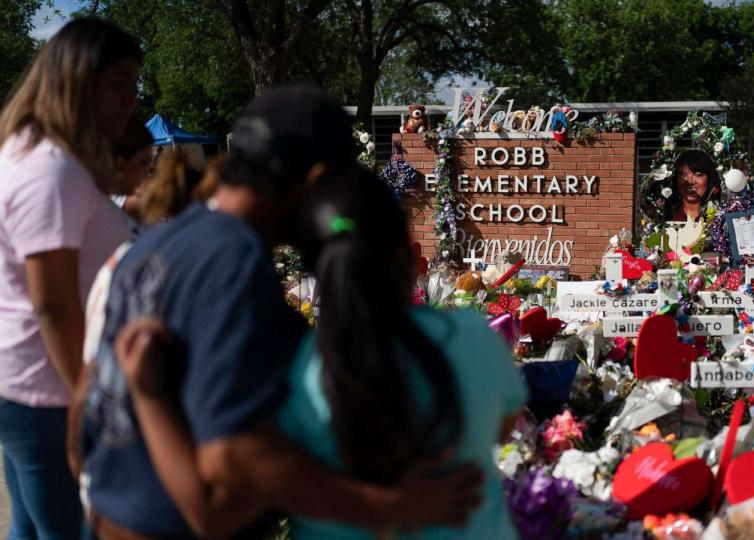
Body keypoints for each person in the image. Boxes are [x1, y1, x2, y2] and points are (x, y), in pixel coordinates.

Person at [76, 86, 485, 539]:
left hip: (108, 515)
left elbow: (83, 407)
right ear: (315, 180)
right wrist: (390, 507)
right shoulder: (233, 261)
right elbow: (232, 458)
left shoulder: (153, 243)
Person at [114, 165, 527, 539]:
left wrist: (149, 396)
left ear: (310, 262)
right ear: (407, 245)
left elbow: (218, 506)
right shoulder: (474, 337)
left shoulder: (296, 366)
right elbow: (504, 427)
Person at [0, 18, 140, 539]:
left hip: (31, 384)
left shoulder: (35, 153)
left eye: (133, 84)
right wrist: (88, 396)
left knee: (31, 530)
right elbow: (53, 303)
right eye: (118, 83)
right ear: (78, 81)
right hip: (49, 392)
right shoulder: (48, 168)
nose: (130, 100)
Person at [112, 118, 154, 223]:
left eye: (149, 163)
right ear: (120, 162)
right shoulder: (113, 199)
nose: (147, 171)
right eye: (143, 163)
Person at [665, 149, 719, 221]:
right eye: (683, 175)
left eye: (698, 175)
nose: (690, 181)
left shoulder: (721, 217)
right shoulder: (665, 216)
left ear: (710, 179)